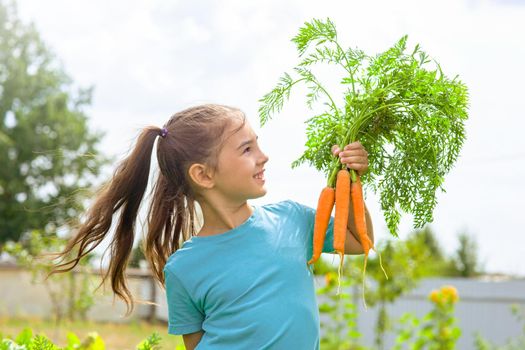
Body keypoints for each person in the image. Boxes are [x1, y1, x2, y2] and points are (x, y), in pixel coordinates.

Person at [49, 103, 373, 350]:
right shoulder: (183, 268)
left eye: (257, 144)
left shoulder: (292, 219)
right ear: (203, 175)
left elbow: (361, 241)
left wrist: (354, 180)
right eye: (247, 149)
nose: (264, 156)